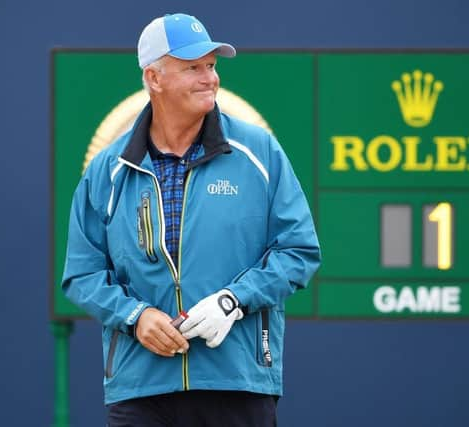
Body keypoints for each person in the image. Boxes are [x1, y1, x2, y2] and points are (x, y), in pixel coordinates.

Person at [61, 12, 320, 427]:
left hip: (237, 383)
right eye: (192, 68)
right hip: (141, 389)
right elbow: (82, 273)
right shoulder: (106, 171)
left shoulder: (259, 152)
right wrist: (135, 318)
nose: (210, 78)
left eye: (212, 66)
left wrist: (233, 302)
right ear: (154, 78)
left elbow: (299, 251)